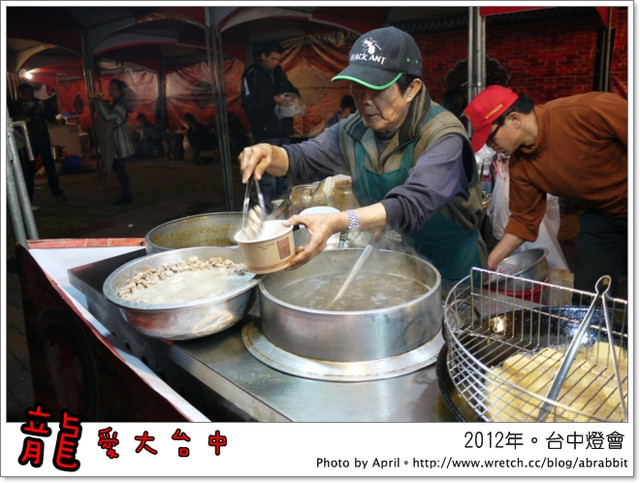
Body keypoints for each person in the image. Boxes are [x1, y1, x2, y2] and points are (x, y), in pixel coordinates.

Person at [239, 27, 487, 285]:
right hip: (396, 266)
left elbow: (411, 204)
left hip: (452, 274)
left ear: (411, 89)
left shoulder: (444, 136)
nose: (364, 100)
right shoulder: (355, 129)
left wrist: (340, 221)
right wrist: (271, 153)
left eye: (377, 88)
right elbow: (302, 158)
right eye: (357, 86)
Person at [463, 85, 627, 296]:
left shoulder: (588, 110)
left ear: (514, 119)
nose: (491, 146)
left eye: (491, 138)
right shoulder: (521, 166)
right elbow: (524, 220)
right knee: (588, 294)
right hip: (602, 216)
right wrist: (490, 264)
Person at [241, 41, 301, 211]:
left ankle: (283, 213)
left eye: (278, 59)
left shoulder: (280, 73)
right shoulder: (251, 75)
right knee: (267, 178)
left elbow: (294, 91)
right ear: (262, 56)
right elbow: (249, 105)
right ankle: (266, 214)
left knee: (284, 175)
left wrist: (292, 97)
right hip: (265, 132)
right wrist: (273, 99)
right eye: (272, 58)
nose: (275, 62)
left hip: (284, 131)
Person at [9, 82, 65, 205]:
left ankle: (57, 192)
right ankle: (28, 198)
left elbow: (51, 119)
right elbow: (13, 120)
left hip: (43, 140)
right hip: (28, 143)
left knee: (50, 168)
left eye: (30, 93)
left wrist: (43, 111)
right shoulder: (16, 105)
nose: (28, 96)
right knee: (29, 171)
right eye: (25, 94)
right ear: (21, 94)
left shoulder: (39, 103)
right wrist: (24, 112)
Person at [93, 79, 134, 205]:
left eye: (114, 89)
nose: (111, 91)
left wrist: (99, 104)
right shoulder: (117, 104)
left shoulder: (120, 105)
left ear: (120, 91)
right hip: (116, 142)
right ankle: (126, 194)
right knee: (119, 168)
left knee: (120, 169)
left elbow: (108, 117)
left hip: (120, 143)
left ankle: (127, 195)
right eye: (110, 89)